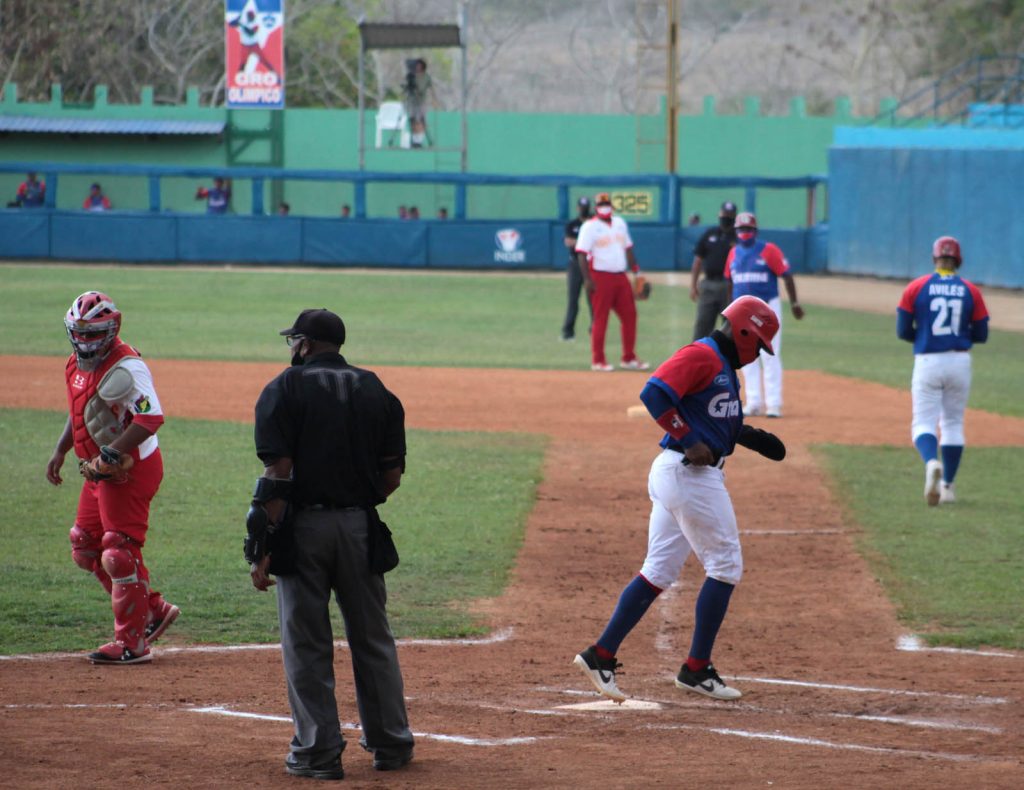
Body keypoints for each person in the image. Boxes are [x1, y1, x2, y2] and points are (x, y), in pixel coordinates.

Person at [574, 295, 785, 703]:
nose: (757, 354)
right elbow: (654, 394)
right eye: (758, 345)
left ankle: (600, 654)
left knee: (658, 571)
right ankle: (696, 668)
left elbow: (719, 418)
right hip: (690, 475)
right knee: (725, 566)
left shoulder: (722, 366)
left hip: (680, 475)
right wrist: (689, 440)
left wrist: (753, 438)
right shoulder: (702, 355)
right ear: (743, 331)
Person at [248, 308, 414, 780]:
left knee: (306, 643)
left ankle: (318, 753)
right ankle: (392, 745)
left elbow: (277, 474)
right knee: (373, 639)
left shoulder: (283, 388)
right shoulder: (377, 389)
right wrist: (357, 502)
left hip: (304, 530)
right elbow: (391, 477)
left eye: (293, 341)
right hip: (361, 529)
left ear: (304, 343)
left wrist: (265, 545)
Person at [45, 291, 179, 665]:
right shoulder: (75, 365)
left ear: (112, 328)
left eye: (94, 333)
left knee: (119, 551)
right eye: (79, 332)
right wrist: (61, 449)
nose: (85, 341)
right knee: (85, 545)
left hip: (130, 468)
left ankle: (132, 643)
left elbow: (150, 419)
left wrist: (110, 454)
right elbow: (84, 414)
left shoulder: (128, 368)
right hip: (99, 470)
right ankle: (151, 611)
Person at [897, 236, 989, 506]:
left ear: (934, 258)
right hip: (959, 361)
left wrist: (925, 336)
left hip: (928, 360)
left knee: (923, 423)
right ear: (958, 260)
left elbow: (903, 330)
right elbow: (982, 333)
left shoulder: (916, 287)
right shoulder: (971, 290)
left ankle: (930, 462)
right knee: (953, 423)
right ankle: (948, 486)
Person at [724, 212, 805, 417]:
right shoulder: (733, 253)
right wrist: (728, 308)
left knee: (770, 354)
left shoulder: (769, 250)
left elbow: (787, 276)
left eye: (748, 230)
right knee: (745, 356)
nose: (745, 233)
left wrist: (794, 303)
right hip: (741, 311)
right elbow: (729, 282)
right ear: (736, 231)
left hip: (767, 308)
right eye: (741, 230)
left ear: (755, 231)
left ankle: (774, 404)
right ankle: (753, 402)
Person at [576, 192, 648, 371]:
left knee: (630, 315)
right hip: (600, 276)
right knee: (601, 318)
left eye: (606, 203)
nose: (604, 207)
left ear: (611, 205)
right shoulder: (589, 227)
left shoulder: (620, 223)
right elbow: (581, 254)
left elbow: (628, 249)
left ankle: (628, 357)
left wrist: (637, 272)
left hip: (620, 276)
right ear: (596, 207)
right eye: (601, 204)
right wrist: (587, 279)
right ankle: (598, 360)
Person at [689, 201, 737, 341]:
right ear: (719, 214)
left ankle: (726, 361)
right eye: (724, 214)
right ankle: (696, 359)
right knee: (702, 327)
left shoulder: (738, 237)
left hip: (729, 286)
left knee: (730, 328)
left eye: (730, 215)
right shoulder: (710, 233)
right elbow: (698, 260)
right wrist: (693, 286)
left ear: (734, 216)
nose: (726, 217)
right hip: (708, 284)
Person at [561, 196, 594, 342]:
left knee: (593, 300)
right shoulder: (572, 224)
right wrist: (584, 242)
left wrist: (579, 242)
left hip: (591, 264)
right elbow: (568, 242)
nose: (584, 209)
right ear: (577, 208)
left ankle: (595, 330)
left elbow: (597, 242)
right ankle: (568, 332)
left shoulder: (595, 222)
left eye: (586, 207)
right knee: (573, 300)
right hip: (575, 265)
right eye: (581, 207)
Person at [402, 58, 433, 148]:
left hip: (421, 101)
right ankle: (413, 140)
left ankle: (420, 140)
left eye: (419, 65)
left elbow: (424, 88)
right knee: (412, 119)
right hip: (412, 101)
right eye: (416, 65)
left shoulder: (426, 77)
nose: (417, 67)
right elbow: (408, 86)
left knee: (421, 120)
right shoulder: (412, 75)